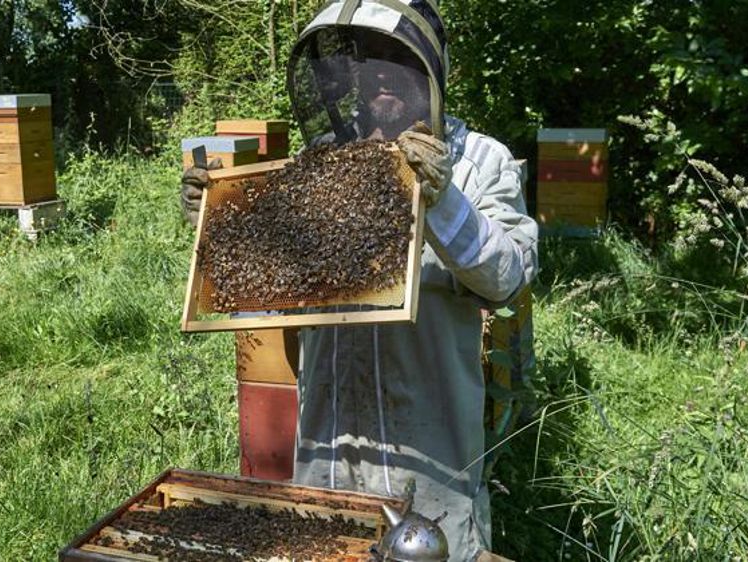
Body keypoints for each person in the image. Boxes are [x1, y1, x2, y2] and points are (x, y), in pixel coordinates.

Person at [180, 3, 537, 559]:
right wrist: (224, 221)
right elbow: (274, 292)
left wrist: (442, 203)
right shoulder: (321, 161)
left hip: (431, 446)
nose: (381, 75)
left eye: (397, 59)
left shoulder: (478, 163)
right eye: (367, 63)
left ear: (431, 71)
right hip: (330, 439)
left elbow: (509, 279)